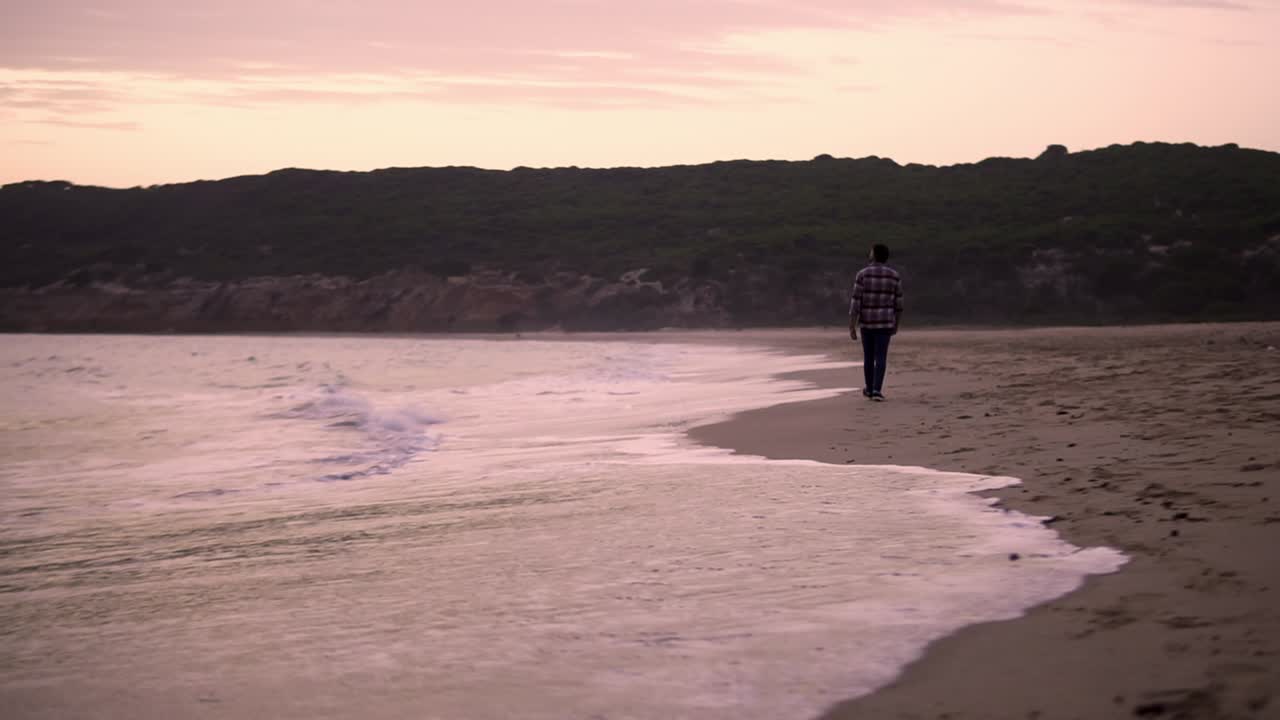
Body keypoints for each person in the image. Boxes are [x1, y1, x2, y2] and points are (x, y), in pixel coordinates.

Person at [848, 243, 903, 401]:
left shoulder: (862, 274)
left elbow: (856, 301)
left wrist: (852, 325)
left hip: (867, 322)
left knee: (868, 357)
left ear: (873, 254)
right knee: (881, 357)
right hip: (885, 322)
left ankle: (870, 389)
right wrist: (896, 325)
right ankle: (877, 390)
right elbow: (899, 304)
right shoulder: (894, 275)